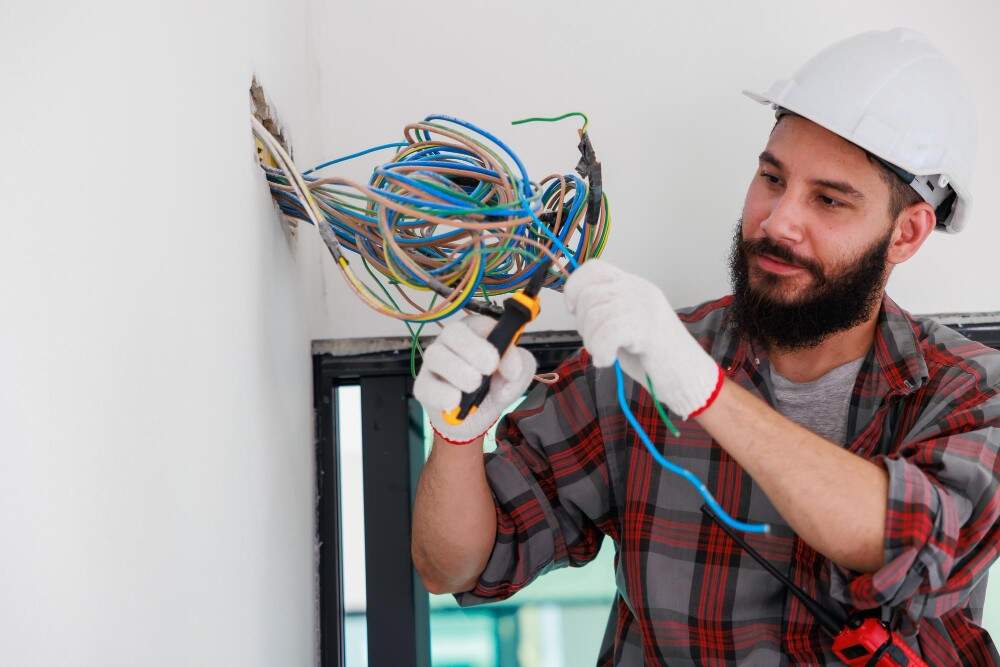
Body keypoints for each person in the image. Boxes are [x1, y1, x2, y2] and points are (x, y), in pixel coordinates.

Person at [411, 28, 1000, 665]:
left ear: (907, 233)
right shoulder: (633, 367)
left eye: (828, 200)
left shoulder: (970, 389)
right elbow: (457, 567)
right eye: (772, 179)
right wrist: (457, 437)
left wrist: (703, 389)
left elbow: (905, 535)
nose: (777, 222)